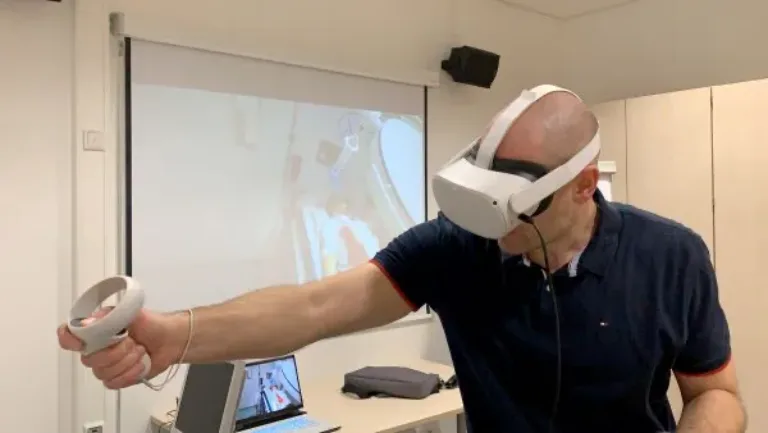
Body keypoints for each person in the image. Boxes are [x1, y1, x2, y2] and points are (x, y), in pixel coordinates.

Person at [57, 87, 746, 433]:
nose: (496, 226)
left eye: (516, 208)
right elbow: (315, 307)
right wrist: (174, 335)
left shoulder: (672, 256)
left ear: (583, 186)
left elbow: (715, 392)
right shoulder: (456, 246)